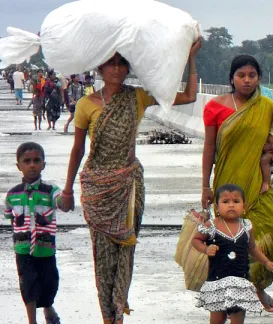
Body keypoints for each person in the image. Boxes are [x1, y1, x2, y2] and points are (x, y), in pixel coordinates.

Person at [60, 42, 200, 324]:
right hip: (98, 188)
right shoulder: (86, 105)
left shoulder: (137, 97)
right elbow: (78, 150)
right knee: (102, 256)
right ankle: (107, 317)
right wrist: (67, 189)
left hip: (128, 185)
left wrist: (191, 59)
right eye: (110, 63)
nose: (116, 68)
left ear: (128, 69)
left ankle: (119, 312)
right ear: (99, 68)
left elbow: (189, 95)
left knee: (126, 250)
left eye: (121, 63)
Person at [201, 54, 273, 313]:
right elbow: (210, 147)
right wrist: (205, 185)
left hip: (259, 185)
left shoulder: (267, 106)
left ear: (259, 78)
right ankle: (230, 304)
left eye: (252, 76)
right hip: (228, 187)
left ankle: (257, 285)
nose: (247, 81)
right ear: (232, 78)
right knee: (230, 245)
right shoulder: (215, 106)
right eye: (241, 75)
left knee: (267, 235)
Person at [192, 184, 273, 324]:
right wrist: (206, 249)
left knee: (238, 318)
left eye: (236, 201)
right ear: (217, 206)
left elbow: (252, 247)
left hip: (241, 281)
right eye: (226, 202)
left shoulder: (246, 226)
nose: (231, 205)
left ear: (243, 206)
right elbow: (196, 240)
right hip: (217, 281)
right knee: (217, 319)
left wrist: (267, 262)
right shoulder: (211, 226)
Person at [4, 142, 65, 324]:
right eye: (27, 161)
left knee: (49, 284)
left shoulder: (51, 191)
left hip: (46, 249)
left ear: (43, 164)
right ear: (19, 166)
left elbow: (61, 202)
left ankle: (49, 310)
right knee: (28, 285)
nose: (32, 165)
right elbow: (11, 217)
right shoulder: (12, 194)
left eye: (36, 160)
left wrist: (66, 199)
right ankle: (32, 321)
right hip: (23, 250)